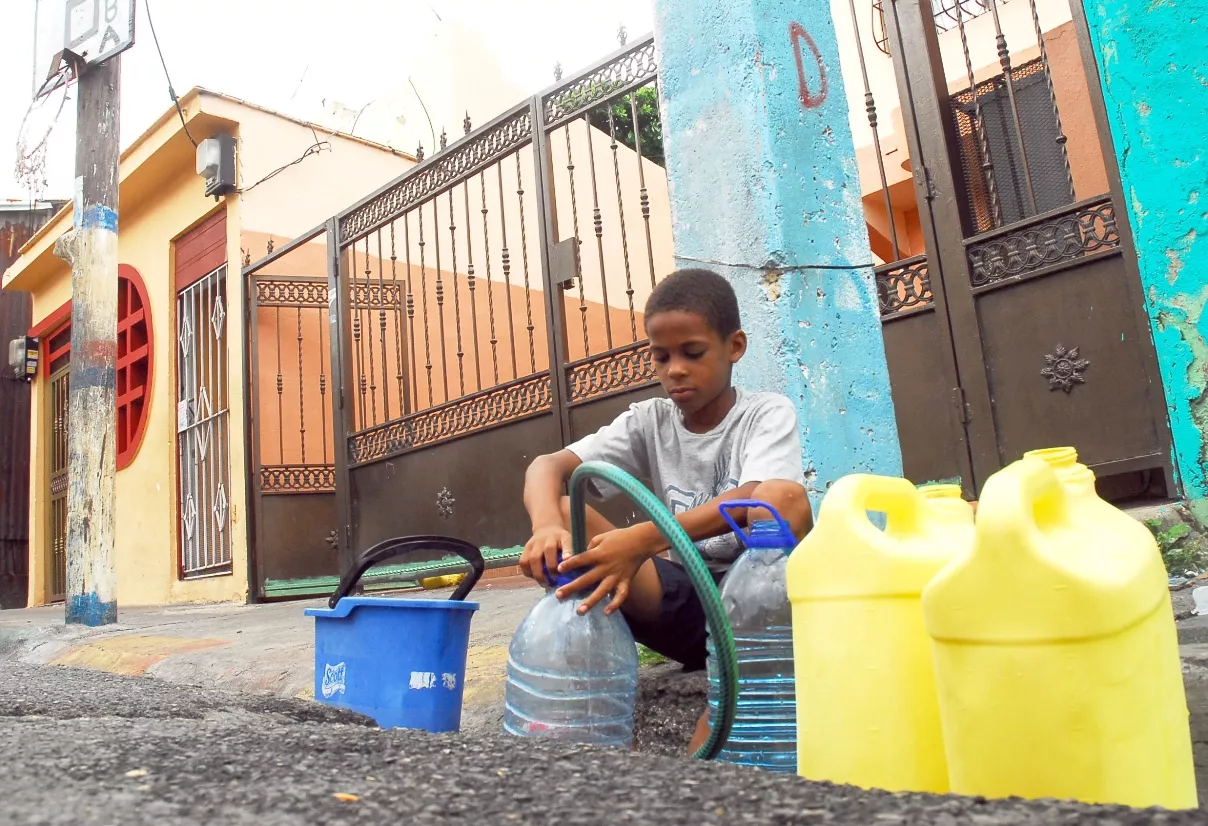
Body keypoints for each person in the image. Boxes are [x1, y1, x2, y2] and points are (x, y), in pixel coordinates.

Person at [519, 267, 812, 753]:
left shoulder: (766, 413)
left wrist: (643, 540)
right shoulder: (650, 421)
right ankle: (582, 672)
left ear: (734, 347)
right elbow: (546, 467)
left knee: (781, 499)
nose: (675, 369)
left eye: (692, 353)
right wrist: (547, 526)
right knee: (570, 510)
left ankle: (736, 692)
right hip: (691, 612)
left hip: (765, 614)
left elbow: (749, 499)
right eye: (661, 356)